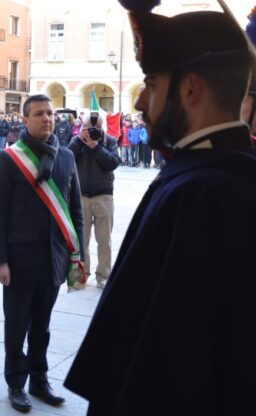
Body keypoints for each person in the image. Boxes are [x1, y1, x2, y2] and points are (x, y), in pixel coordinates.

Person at [64, 4, 256, 415]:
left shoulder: (202, 193)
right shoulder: (210, 175)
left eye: (150, 83)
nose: (140, 102)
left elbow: (171, 373)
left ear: (190, 89)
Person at [0, 94, 84, 413]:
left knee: (42, 326)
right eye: (39, 114)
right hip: (19, 260)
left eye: (50, 113)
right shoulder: (9, 159)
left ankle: (39, 381)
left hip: (54, 259)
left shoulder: (67, 157)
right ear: (25, 119)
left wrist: (77, 255)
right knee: (16, 326)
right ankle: (16, 383)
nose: (47, 119)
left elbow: (75, 211)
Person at [67, 112, 120, 289]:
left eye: (96, 127)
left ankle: (104, 276)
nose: (93, 130)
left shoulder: (109, 141)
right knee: (81, 240)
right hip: (80, 196)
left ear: (102, 125)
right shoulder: (77, 141)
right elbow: (67, 159)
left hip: (103, 196)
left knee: (104, 240)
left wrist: (96, 146)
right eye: (89, 126)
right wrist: (78, 141)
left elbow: (113, 162)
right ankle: (80, 276)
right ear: (83, 125)